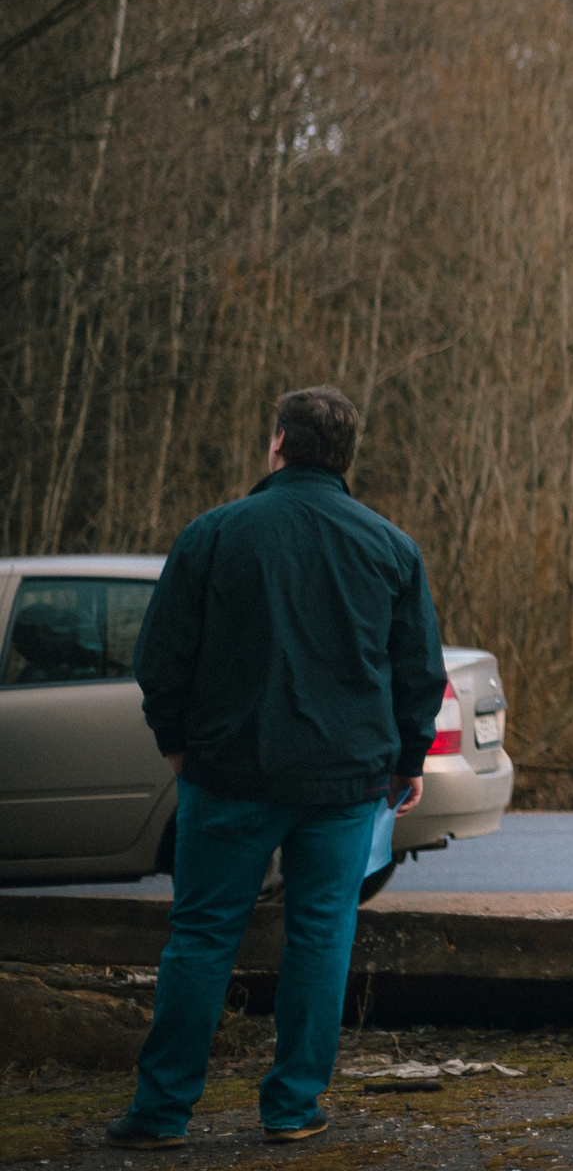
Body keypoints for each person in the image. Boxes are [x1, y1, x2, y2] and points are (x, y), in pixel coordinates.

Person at [108, 387, 446, 1150]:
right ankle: (292, 1107)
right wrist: (409, 756)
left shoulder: (214, 534)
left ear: (278, 445)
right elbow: (418, 668)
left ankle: (162, 1113)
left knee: (200, 939)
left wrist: (176, 742)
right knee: (321, 938)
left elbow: (160, 657)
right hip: (345, 784)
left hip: (228, 776)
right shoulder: (391, 547)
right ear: (345, 457)